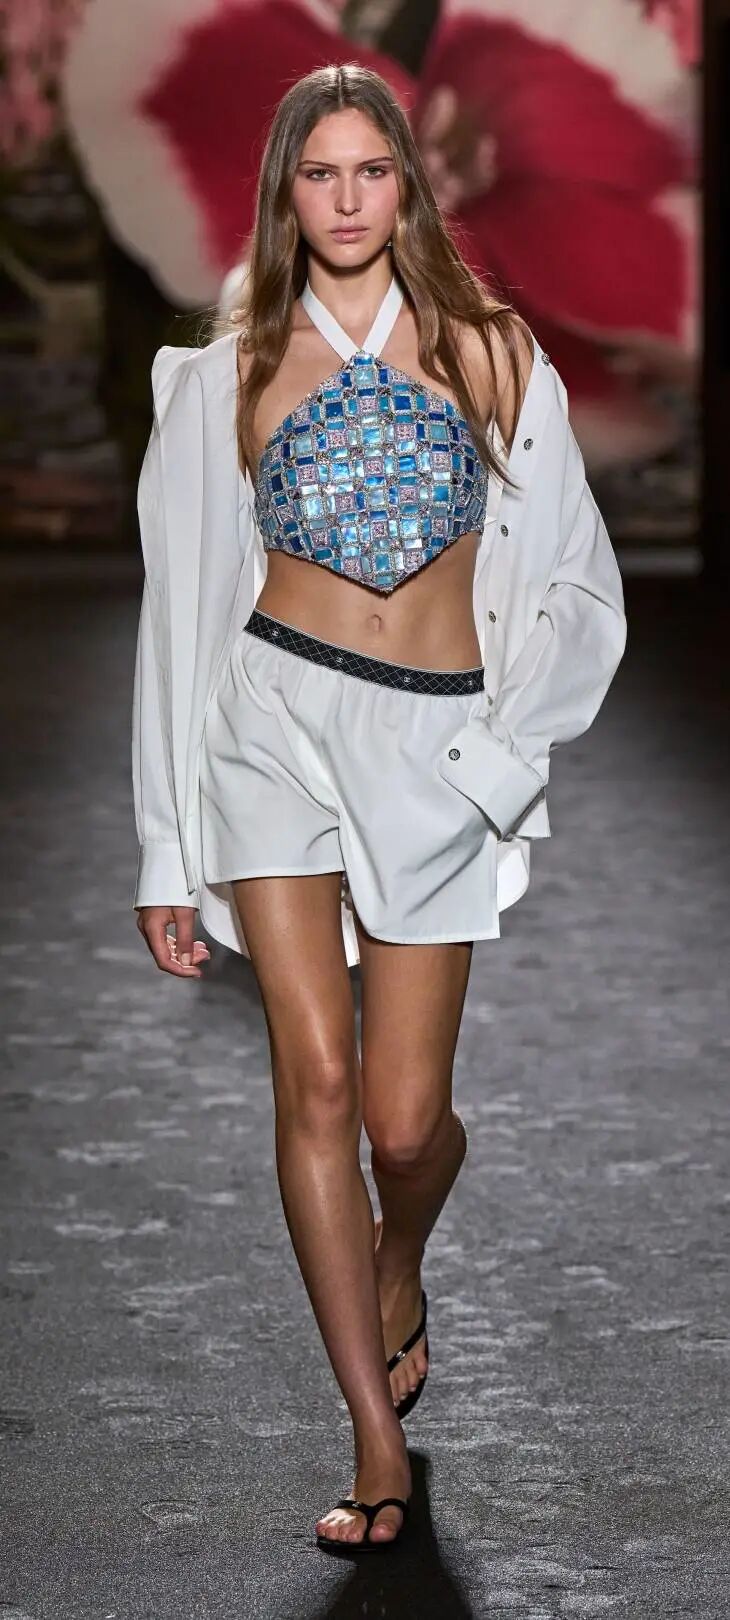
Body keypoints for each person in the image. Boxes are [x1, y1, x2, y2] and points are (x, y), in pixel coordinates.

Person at [132, 64, 627, 1555]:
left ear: (408, 186)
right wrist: (167, 847)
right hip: (270, 730)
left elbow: (577, 587)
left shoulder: (490, 353)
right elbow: (179, 618)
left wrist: (501, 763)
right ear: (283, 194)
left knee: (406, 1129)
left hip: (435, 749)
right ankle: (372, 1434)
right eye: (318, 173)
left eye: (370, 171)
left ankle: (397, 1253)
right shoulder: (225, 373)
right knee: (319, 1089)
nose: (345, 200)